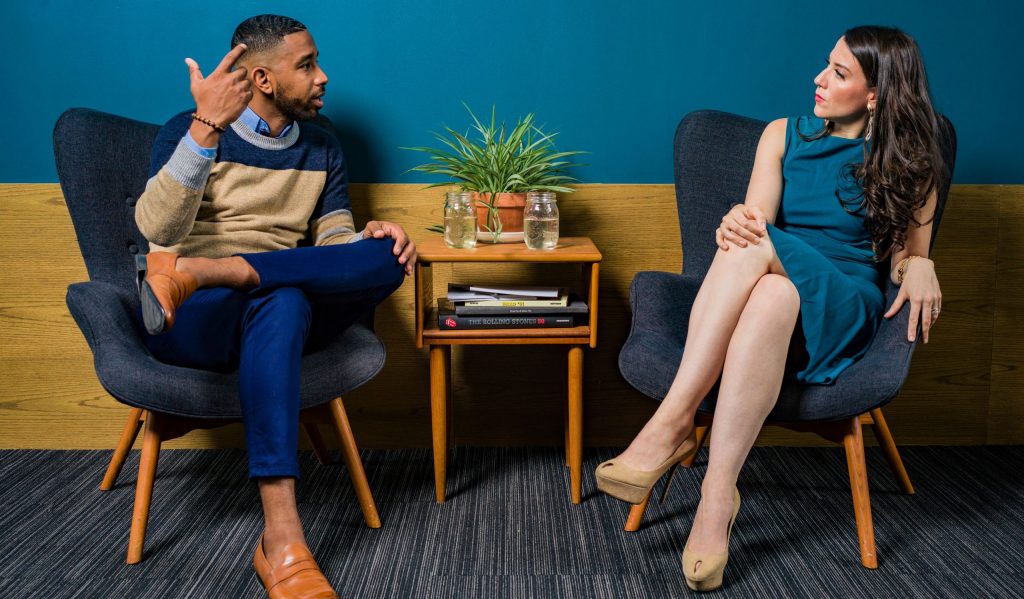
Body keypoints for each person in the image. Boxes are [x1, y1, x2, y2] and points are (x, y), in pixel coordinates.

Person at [595, 26, 945, 592]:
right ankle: (716, 499)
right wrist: (734, 221)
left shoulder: (913, 163)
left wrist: (920, 264)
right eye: (824, 65)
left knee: (758, 246)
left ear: (876, 93)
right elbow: (752, 222)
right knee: (768, 277)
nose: (818, 78)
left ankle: (672, 420)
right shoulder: (782, 135)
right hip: (777, 295)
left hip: (845, 300)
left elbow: (907, 260)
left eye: (837, 72)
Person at [134, 14, 416, 599]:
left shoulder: (323, 145)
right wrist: (206, 130)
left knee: (389, 255)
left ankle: (220, 269)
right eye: (307, 65)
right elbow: (155, 229)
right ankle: (283, 540)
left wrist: (364, 241)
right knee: (284, 299)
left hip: (244, 295)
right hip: (192, 315)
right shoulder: (187, 131)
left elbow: (333, 240)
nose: (323, 77)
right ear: (262, 77)